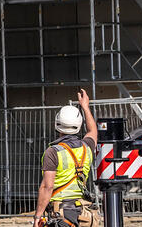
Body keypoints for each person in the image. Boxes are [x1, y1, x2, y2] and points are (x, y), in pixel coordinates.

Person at [34, 90, 99, 227]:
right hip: (83, 212)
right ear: (79, 123)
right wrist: (85, 107)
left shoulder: (52, 152)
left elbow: (47, 186)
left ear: (57, 123)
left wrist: (37, 216)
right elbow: (92, 131)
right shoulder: (86, 148)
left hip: (61, 214)